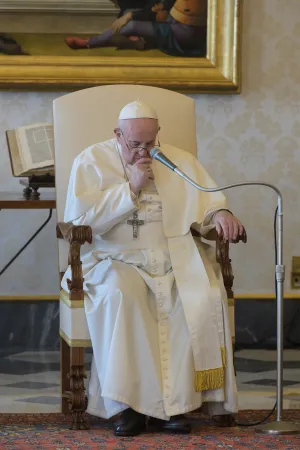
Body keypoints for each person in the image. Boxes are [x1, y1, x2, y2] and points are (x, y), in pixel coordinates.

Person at [62, 100, 245, 437]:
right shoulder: (91, 161)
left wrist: (220, 214)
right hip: (114, 259)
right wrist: (129, 187)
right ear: (118, 134)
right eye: (135, 144)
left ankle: (174, 408)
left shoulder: (177, 159)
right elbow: (80, 223)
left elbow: (206, 199)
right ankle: (125, 407)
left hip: (173, 256)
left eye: (150, 142)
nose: (144, 152)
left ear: (157, 135)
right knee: (121, 295)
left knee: (199, 295)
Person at [65, 0, 207, 56]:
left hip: (184, 33)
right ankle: (138, 41)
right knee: (131, 17)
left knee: (132, 24)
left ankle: (89, 43)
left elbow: (165, 14)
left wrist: (131, 16)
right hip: (175, 23)